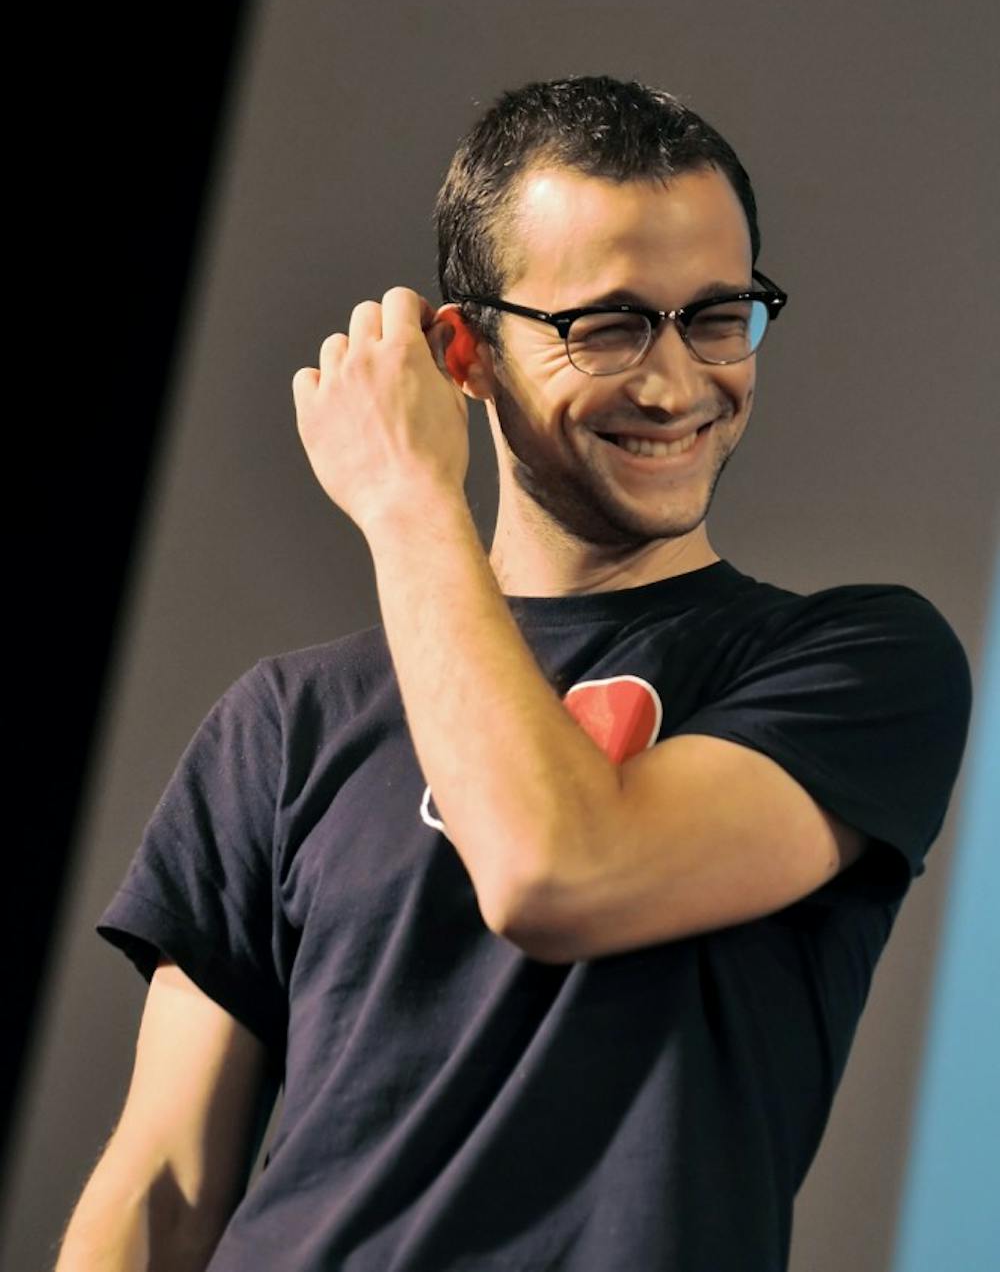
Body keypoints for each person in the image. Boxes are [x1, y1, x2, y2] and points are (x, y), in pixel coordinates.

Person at [57, 76, 972, 1272]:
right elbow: (164, 1187)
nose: (675, 382)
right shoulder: (286, 724)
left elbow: (558, 873)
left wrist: (405, 500)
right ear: (465, 353)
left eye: (716, 315)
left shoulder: (857, 663)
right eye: (607, 326)